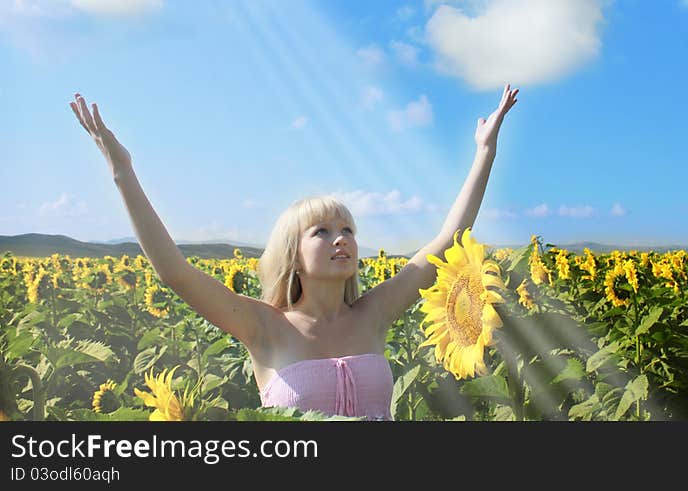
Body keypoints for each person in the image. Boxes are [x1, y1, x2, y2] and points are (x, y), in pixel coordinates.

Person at [69, 84, 519, 420]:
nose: (341, 238)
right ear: (293, 253)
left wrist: (485, 152)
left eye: (348, 229)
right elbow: (175, 272)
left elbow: (448, 238)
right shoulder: (264, 327)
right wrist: (122, 173)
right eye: (322, 231)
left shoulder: (373, 313)